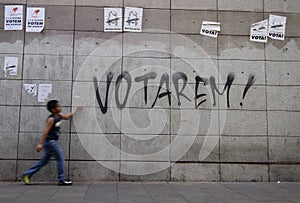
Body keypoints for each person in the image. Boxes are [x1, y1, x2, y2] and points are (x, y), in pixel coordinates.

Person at [22, 100, 82, 185]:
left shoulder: (59, 116)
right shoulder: (51, 119)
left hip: (51, 142)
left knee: (44, 161)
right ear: (53, 109)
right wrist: (40, 144)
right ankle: (61, 179)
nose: (60, 107)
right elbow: (45, 132)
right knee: (60, 158)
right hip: (50, 142)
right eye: (58, 106)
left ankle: (27, 174)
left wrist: (76, 111)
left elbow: (67, 117)